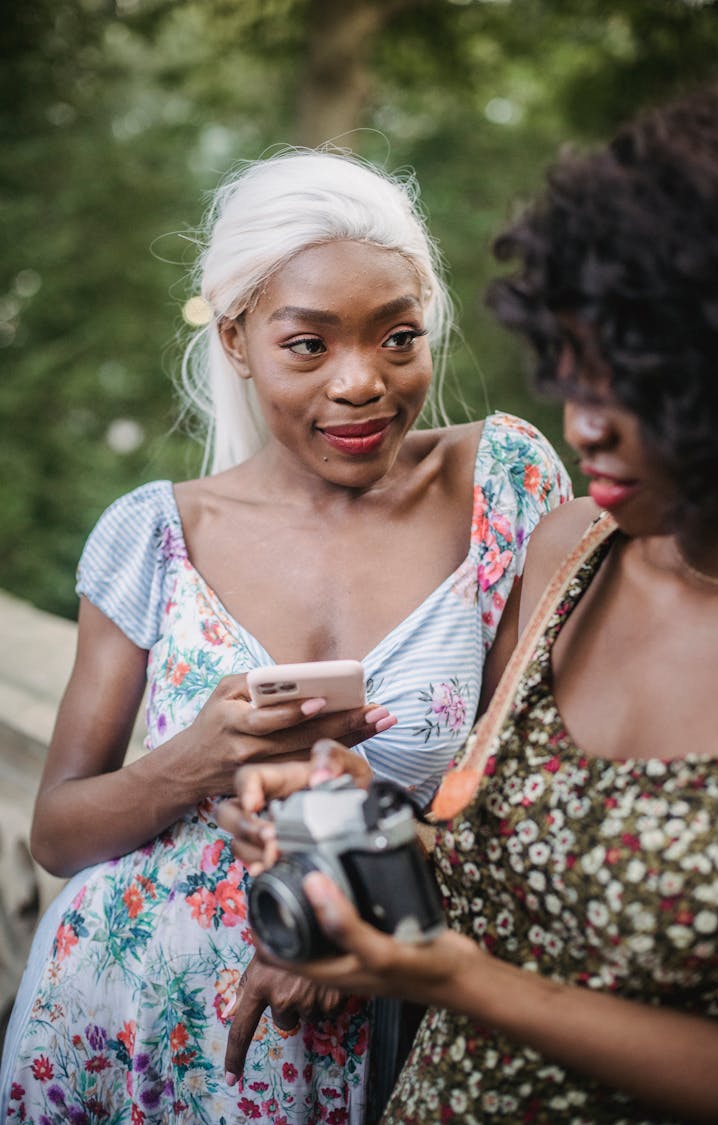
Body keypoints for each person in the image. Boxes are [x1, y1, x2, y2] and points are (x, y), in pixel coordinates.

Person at [0, 149, 571, 1124]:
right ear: (236, 337)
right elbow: (58, 832)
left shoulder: (504, 485)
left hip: (409, 1002)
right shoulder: (158, 535)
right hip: (147, 1012)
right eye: (309, 345)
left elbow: (541, 775)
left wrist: (364, 899)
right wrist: (192, 761)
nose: (362, 383)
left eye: (398, 337)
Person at [224, 86, 718, 1123]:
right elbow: (514, 877)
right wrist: (358, 821)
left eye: (633, 387)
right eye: (571, 371)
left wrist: (451, 980)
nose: (583, 426)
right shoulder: (572, 559)